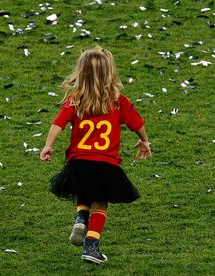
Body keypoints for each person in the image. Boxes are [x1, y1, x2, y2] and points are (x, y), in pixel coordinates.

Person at [40, 46, 151, 264]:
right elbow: (137, 123)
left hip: (79, 161)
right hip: (106, 163)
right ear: (109, 72)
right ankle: (91, 246)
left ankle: (81, 218)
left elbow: (58, 123)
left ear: (81, 72)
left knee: (84, 189)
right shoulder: (119, 101)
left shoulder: (75, 100)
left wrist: (48, 145)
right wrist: (144, 141)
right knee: (100, 203)